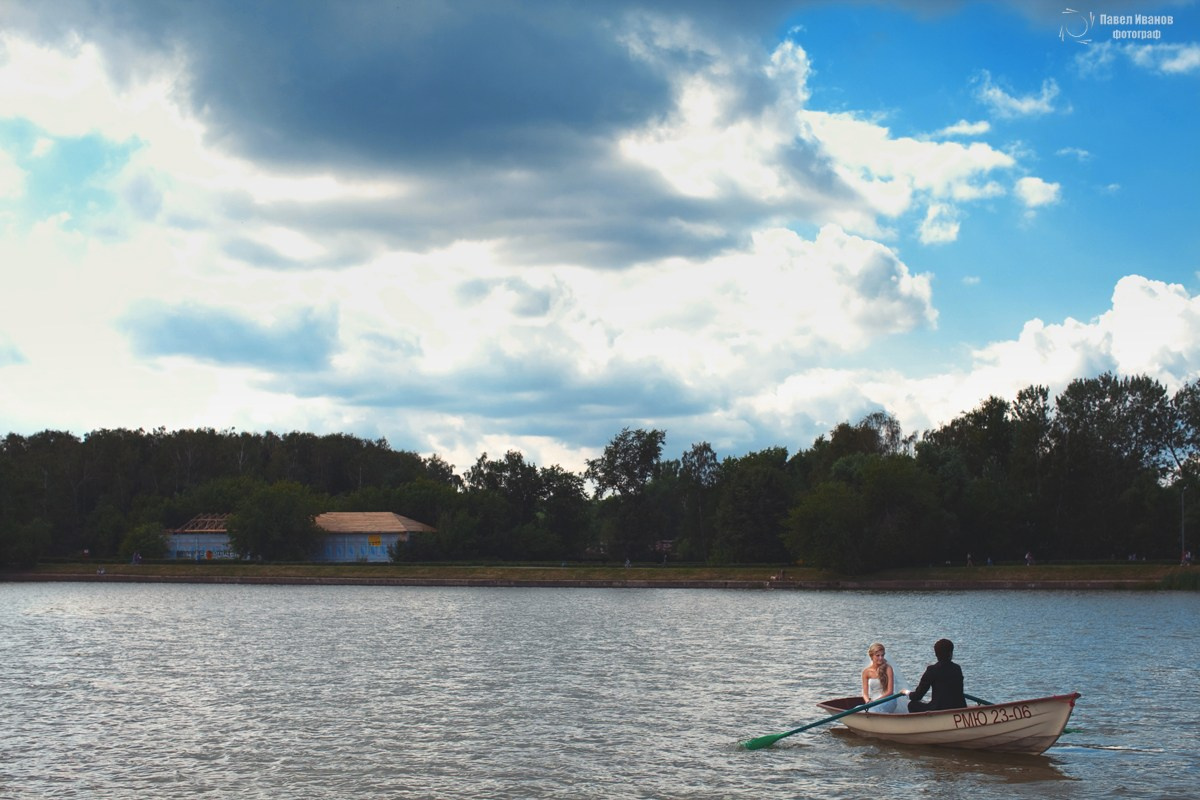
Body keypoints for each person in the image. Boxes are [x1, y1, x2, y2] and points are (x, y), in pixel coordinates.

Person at [905, 638, 966, 713]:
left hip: (939, 709)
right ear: (950, 653)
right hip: (960, 707)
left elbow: (918, 696)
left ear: (936, 654)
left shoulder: (932, 670)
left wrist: (907, 693)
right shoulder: (957, 668)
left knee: (912, 705)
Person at [861, 642, 907, 713]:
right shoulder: (866, 672)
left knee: (874, 710)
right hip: (873, 700)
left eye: (882, 655)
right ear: (872, 656)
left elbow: (890, 692)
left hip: (888, 699)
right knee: (859, 709)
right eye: (878, 655)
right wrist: (867, 701)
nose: (881, 658)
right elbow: (865, 693)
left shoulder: (888, 668)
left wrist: (875, 702)